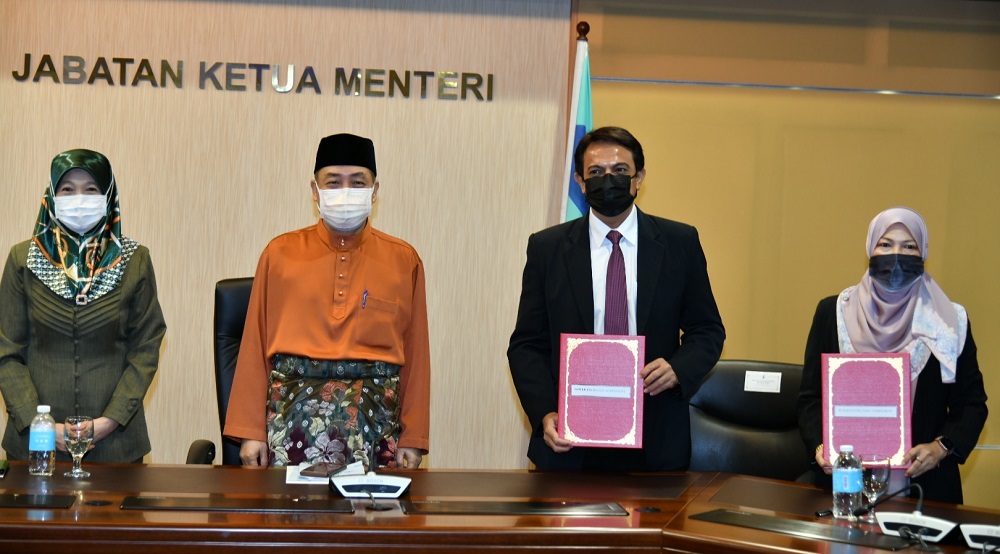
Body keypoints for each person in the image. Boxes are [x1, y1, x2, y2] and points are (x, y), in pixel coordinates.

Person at [507, 126, 726, 471]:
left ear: (639, 177)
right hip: (569, 438)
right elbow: (526, 344)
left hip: (655, 437)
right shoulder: (547, 248)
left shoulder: (679, 242)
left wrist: (677, 369)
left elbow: (707, 330)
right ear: (579, 181)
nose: (608, 180)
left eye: (620, 171)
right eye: (595, 172)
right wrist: (545, 411)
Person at [224, 133, 430, 469]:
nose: (345, 192)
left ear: (375, 191)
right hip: (289, 431)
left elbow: (417, 354)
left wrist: (414, 436)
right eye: (333, 182)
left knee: (374, 521)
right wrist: (250, 431)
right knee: (290, 520)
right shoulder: (279, 255)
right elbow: (254, 345)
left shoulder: (403, 260)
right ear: (315, 190)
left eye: (357, 182)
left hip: (376, 436)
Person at [797, 207, 987, 504]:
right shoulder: (833, 312)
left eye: (909, 246)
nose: (896, 255)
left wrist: (940, 447)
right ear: (869, 250)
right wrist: (820, 446)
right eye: (885, 245)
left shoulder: (949, 321)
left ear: (923, 253)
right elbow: (810, 399)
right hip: (843, 485)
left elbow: (972, 404)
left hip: (926, 490)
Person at [0, 149, 167, 463]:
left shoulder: (134, 260)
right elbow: (6, 351)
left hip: (116, 446)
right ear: (51, 196)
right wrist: (45, 427)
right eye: (67, 189)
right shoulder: (23, 259)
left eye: (91, 190)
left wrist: (110, 421)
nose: (79, 198)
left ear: (107, 196)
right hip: (35, 445)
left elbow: (146, 347)